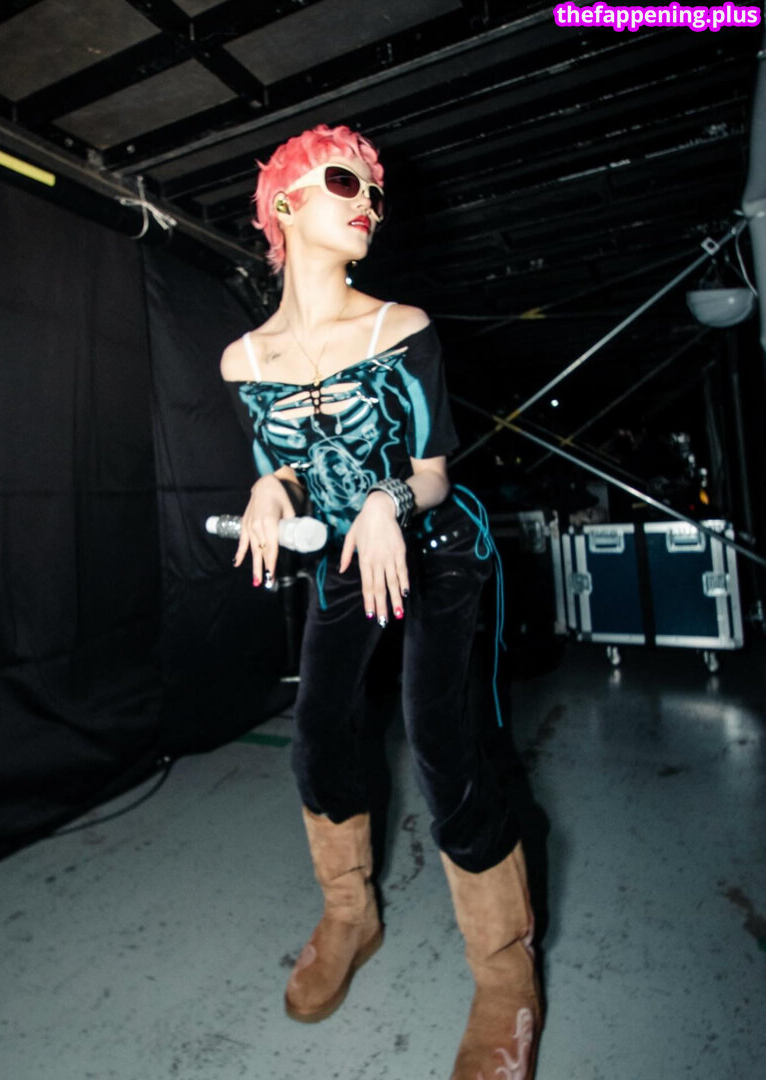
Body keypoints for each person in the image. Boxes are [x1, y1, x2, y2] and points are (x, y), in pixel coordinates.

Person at [220, 123, 542, 1079]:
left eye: (373, 191)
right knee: (318, 729)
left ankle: (508, 977)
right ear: (284, 205)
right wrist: (269, 490)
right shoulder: (244, 360)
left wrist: (385, 500)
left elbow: (435, 472)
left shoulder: (400, 326)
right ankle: (350, 916)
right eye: (342, 182)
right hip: (342, 559)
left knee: (441, 736)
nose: (367, 202)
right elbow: (284, 465)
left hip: (434, 548)